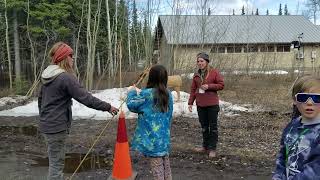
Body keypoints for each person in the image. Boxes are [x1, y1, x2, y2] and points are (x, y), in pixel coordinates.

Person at [38, 42, 119, 180]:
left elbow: (40, 100)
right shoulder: (65, 77)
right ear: (63, 57)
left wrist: (45, 117)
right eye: (70, 55)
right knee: (56, 166)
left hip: (46, 125)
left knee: (54, 162)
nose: (73, 58)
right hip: (57, 127)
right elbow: (86, 98)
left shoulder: (47, 75)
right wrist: (108, 107)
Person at [126, 65, 174, 180]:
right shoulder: (168, 94)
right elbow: (170, 114)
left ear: (151, 78)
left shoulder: (146, 94)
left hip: (152, 141)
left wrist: (131, 92)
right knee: (166, 167)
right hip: (164, 139)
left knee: (157, 171)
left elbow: (132, 104)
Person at [272, 76, 320, 179]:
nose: (310, 103)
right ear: (295, 100)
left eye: (316, 98)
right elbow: (282, 157)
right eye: (303, 97)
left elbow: (316, 171)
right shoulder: (291, 127)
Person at [188, 52, 224, 158]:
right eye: (198, 61)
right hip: (200, 105)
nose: (200, 63)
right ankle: (205, 146)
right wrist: (190, 102)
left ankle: (212, 148)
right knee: (204, 127)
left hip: (212, 104)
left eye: (202, 61)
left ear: (207, 62)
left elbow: (221, 85)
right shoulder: (196, 75)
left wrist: (209, 86)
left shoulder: (214, 72)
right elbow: (193, 89)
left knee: (213, 127)